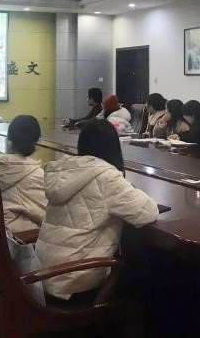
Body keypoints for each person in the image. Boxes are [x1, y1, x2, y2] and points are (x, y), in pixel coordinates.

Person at [35, 119, 159, 300]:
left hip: (42, 274)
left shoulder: (63, 170)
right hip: (73, 282)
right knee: (143, 270)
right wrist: (130, 188)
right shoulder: (107, 177)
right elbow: (148, 212)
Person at [0, 115, 46, 233]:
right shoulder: (35, 175)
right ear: (38, 142)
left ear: (9, 138)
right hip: (15, 237)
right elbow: (49, 216)